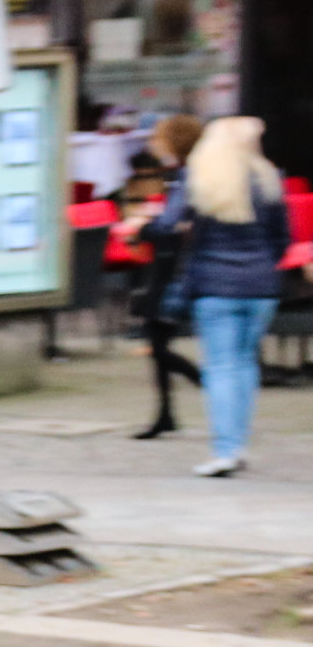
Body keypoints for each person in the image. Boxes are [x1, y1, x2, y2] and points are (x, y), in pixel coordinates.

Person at [147, 116, 291, 476]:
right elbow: (282, 239)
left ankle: (224, 451)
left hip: (214, 286)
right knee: (243, 365)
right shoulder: (268, 179)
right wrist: (261, 266)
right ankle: (237, 444)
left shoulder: (199, 178)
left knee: (222, 368)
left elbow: (167, 223)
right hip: (260, 289)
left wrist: (149, 226)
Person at [130, 114, 203, 439]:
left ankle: (206, 383)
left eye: (160, 138)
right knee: (156, 338)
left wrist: (143, 227)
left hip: (174, 266)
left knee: (158, 342)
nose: (154, 145)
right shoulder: (185, 174)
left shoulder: (188, 176)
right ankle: (165, 413)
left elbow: (169, 225)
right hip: (173, 261)